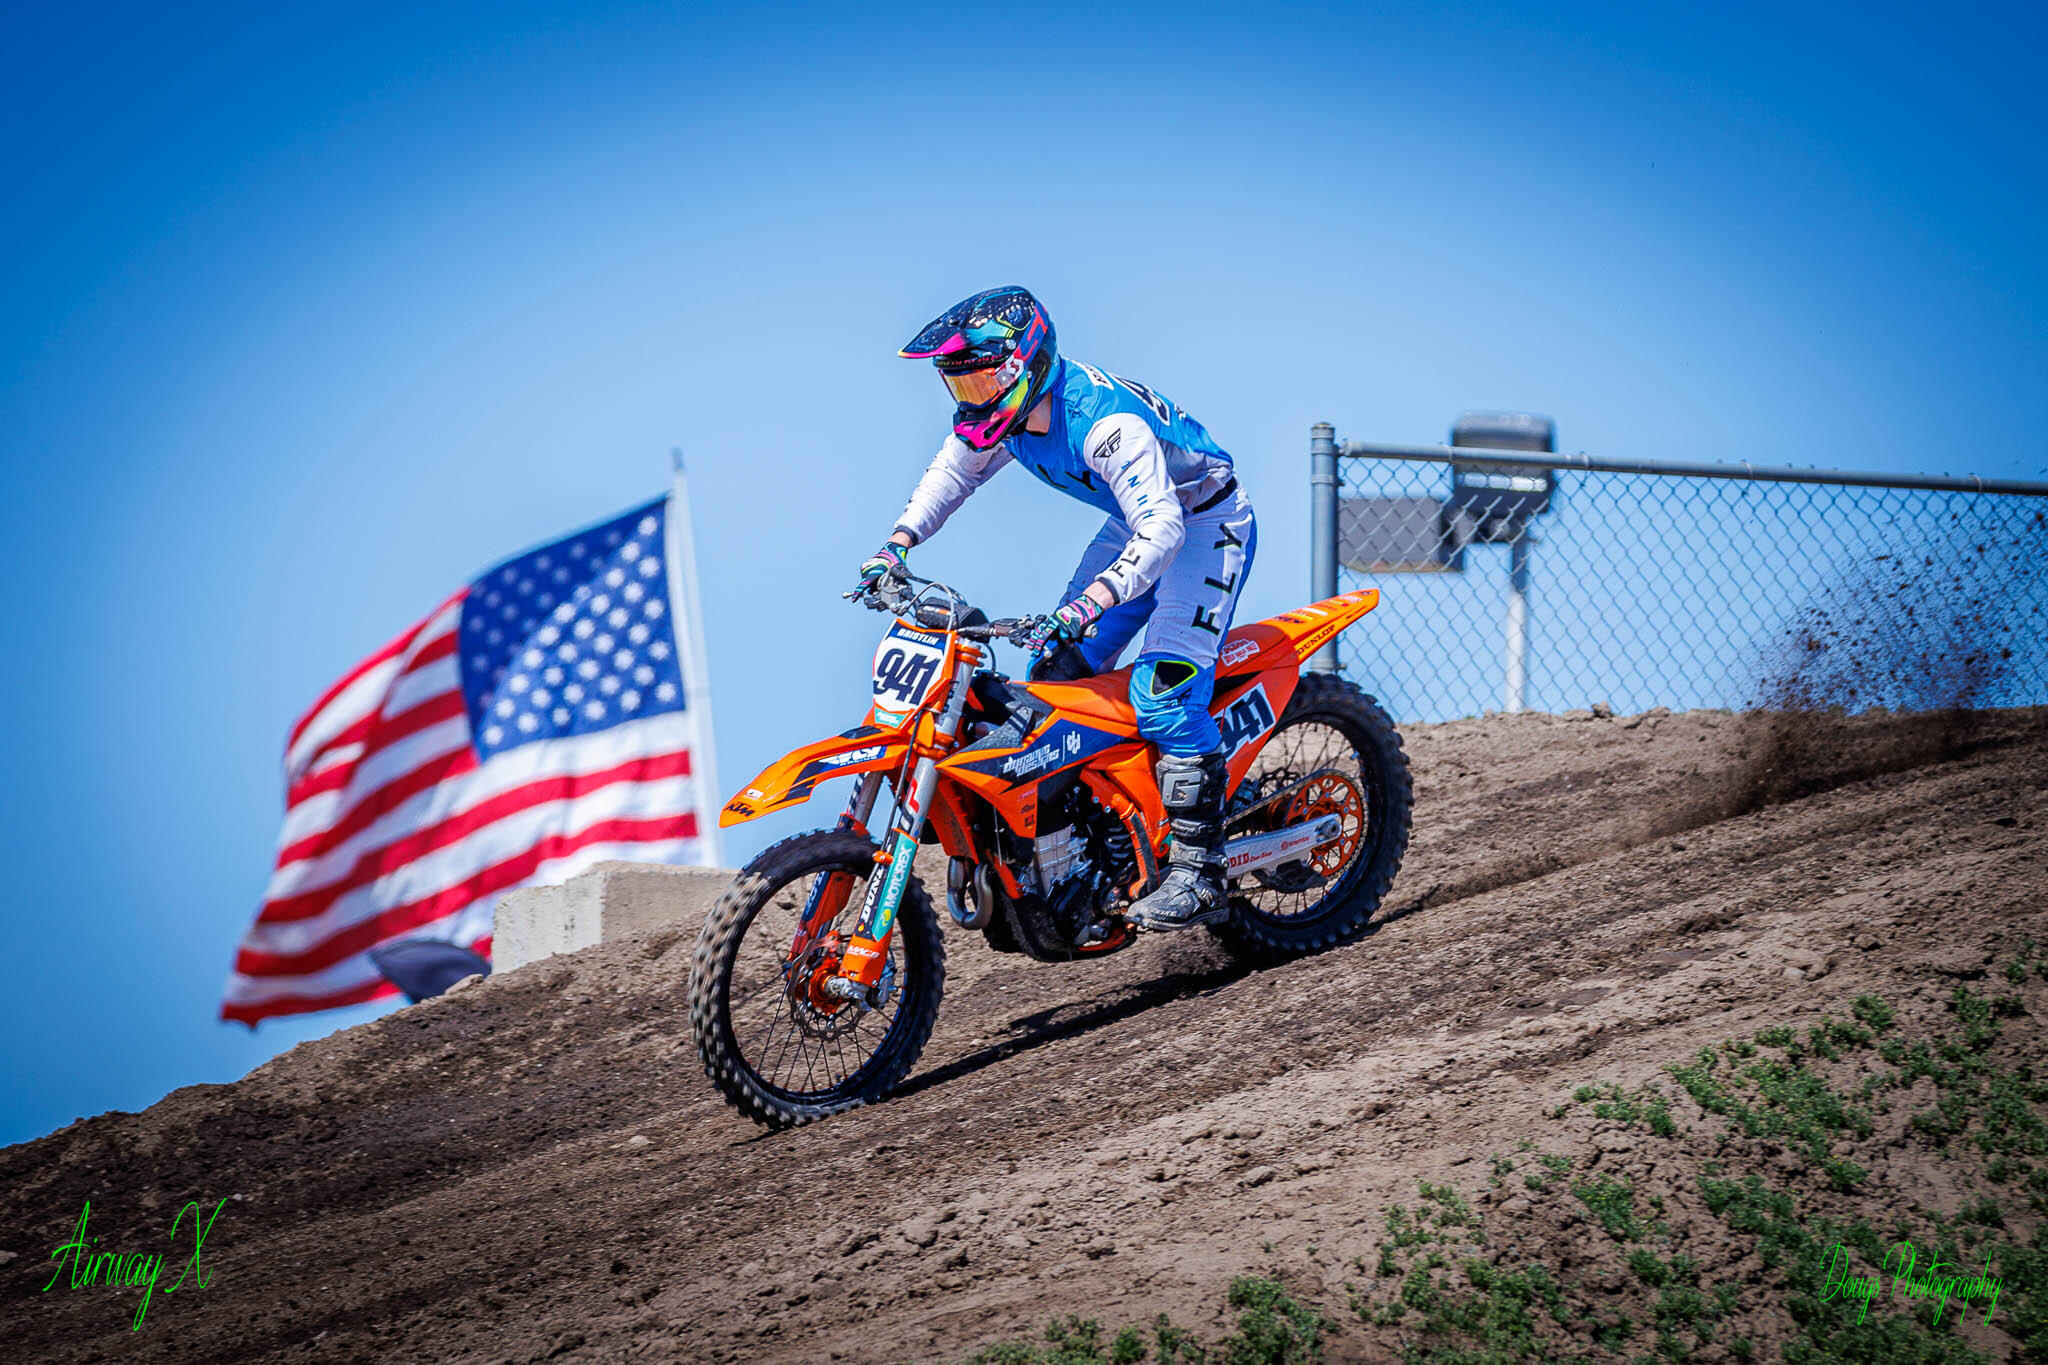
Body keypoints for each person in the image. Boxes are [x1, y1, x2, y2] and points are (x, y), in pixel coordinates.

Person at [858, 285, 1258, 931]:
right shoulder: (1005, 418)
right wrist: (893, 548)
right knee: (1054, 672)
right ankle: (1091, 841)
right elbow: (950, 477)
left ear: (1025, 363)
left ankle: (1200, 871)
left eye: (982, 379)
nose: (972, 398)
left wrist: (1090, 601)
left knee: (1164, 691)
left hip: (1202, 523)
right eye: (960, 387)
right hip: (1131, 524)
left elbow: (1163, 531)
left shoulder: (1106, 426)